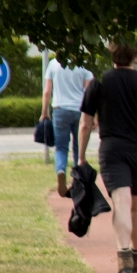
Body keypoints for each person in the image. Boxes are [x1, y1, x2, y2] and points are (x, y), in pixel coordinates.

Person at [76, 41, 137, 273]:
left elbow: (86, 123)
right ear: (136, 56)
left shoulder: (99, 82)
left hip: (112, 149)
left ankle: (123, 255)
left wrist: (80, 156)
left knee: (121, 202)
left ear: (111, 55)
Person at [41, 50, 94, 197]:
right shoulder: (83, 65)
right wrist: (93, 115)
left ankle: (60, 171)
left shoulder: (53, 64)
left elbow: (47, 91)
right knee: (79, 147)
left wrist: (44, 112)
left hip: (60, 109)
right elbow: (90, 92)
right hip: (80, 110)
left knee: (61, 147)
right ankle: (76, 179)